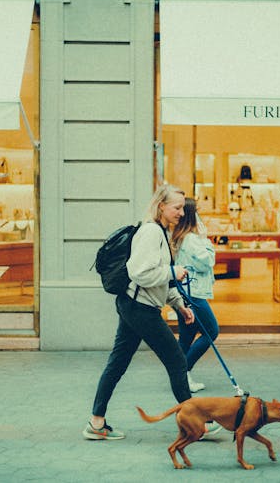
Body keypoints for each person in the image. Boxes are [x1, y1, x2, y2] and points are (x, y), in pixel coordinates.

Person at [84, 184, 221, 441]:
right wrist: (173, 272)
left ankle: (96, 423)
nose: (182, 212)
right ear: (161, 207)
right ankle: (197, 424)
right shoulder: (151, 232)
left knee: (118, 362)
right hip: (140, 309)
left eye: (182, 207)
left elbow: (158, 280)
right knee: (177, 361)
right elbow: (141, 273)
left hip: (134, 305)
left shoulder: (161, 232)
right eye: (177, 207)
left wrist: (180, 304)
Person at [171, 198, 219, 393]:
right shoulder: (191, 239)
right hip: (194, 294)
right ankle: (183, 372)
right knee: (211, 330)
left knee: (186, 336)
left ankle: (181, 378)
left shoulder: (179, 236)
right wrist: (206, 239)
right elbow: (207, 262)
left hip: (184, 292)